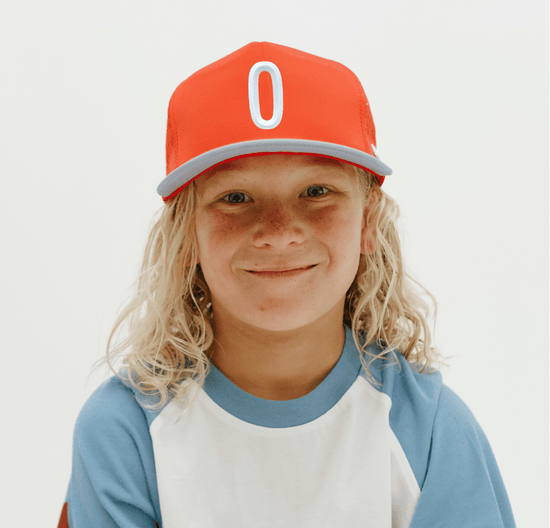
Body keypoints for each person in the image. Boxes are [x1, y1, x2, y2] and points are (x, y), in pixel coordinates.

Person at [57, 41, 516, 527]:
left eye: (316, 191)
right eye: (236, 197)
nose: (278, 232)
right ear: (186, 235)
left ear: (368, 222)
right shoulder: (127, 431)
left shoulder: (431, 431)